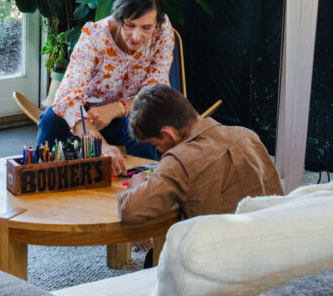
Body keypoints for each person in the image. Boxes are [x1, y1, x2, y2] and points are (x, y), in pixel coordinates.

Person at [37, 0, 174, 176]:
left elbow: (155, 93)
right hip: (86, 116)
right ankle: (42, 177)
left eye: (146, 27)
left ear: (158, 22)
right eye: (129, 25)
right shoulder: (94, 36)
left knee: (145, 120)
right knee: (52, 119)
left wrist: (116, 109)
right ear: (118, 18)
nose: (136, 36)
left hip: (130, 114)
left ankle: (143, 187)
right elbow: (67, 96)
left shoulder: (162, 31)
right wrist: (98, 143)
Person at [117, 84, 282, 231]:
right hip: (269, 240)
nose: (159, 150)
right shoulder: (247, 135)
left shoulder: (179, 160)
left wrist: (135, 186)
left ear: (168, 133)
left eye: (155, 145)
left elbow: (130, 211)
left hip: (220, 253)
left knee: (154, 258)